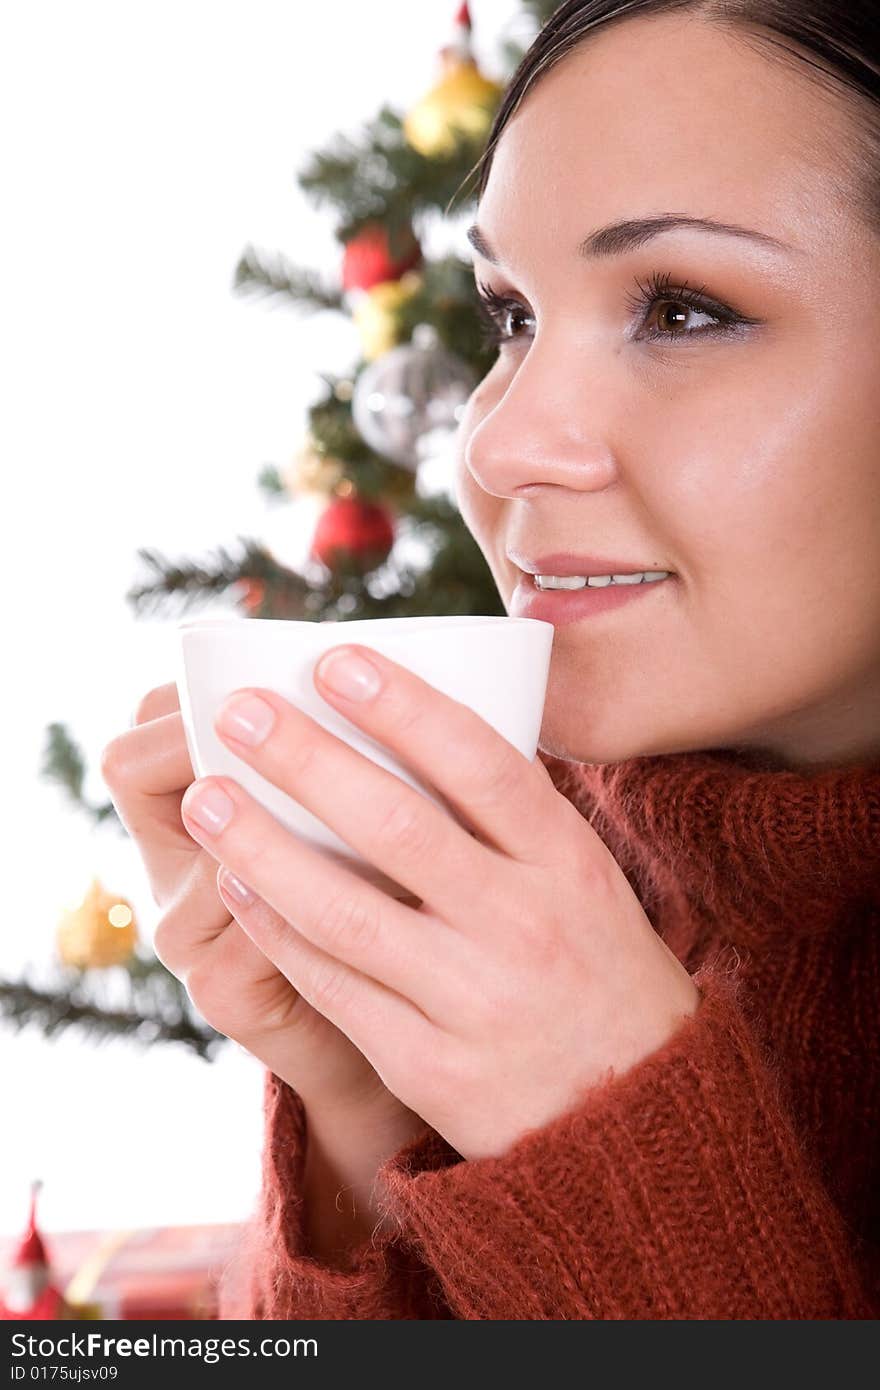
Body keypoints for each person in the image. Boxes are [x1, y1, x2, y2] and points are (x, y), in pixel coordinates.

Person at [101, 0, 880, 1319]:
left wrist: (623, 1143)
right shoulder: (551, 887)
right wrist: (364, 1114)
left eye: (686, 311)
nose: (497, 446)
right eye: (512, 315)